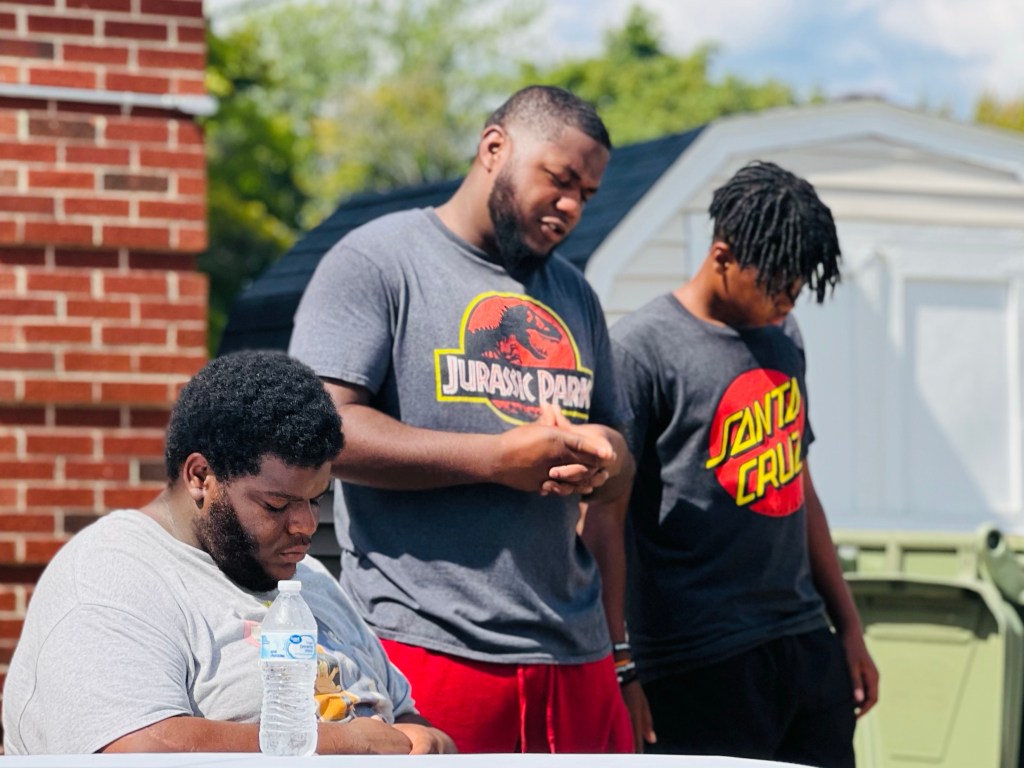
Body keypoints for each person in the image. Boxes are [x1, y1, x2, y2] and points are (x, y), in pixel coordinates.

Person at [289, 85, 639, 753]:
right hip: (424, 649)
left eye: (587, 195)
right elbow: (317, 429)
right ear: (494, 148)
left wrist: (607, 457)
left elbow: (621, 471)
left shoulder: (576, 294)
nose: (571, 207)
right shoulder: (379, 260)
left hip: (576, 653)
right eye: (559, 179)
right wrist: (497, 460)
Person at [2, 351, 455, 756]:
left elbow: (402, 714)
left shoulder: (310, 578)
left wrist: (426, 740)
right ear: (200, 477)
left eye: (316, 500)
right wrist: (342, 744)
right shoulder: (109, 575)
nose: (305, 525)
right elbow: (136, 748)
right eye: (276, 505)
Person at [596, 160, 880, 765]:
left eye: (798, 288)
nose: (787, 302)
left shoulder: (785, 338)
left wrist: (849, 629)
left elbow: (799, 488)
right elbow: (603, 520)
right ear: (722, 257)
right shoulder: (639, 350)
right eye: (776, 286)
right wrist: (620, 666)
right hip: (696, 662)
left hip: (804, 645)